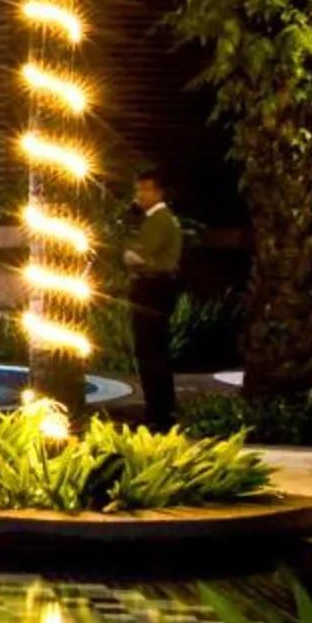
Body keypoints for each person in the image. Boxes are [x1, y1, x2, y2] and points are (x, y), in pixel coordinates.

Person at [122, 168, 185, 428]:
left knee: (150, 351)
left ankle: (158, 413)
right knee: (155, 350)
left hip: (152, 288)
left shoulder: (159, 220)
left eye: (145, 190)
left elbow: (137, 255)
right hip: (158, 288)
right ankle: (161, 409)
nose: (139, 195)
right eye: (138, 190)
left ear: (159, 192)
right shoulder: (162, 219)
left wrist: (130, 254)